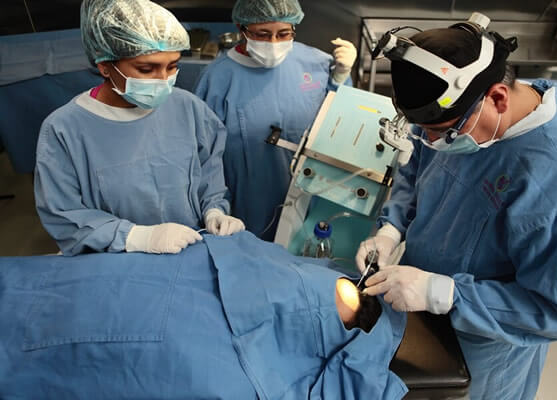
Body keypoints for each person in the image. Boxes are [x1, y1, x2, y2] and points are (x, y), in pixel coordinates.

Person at [355, 13, 557, 400]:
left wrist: (444, 293)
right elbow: (419, 163)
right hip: (418, 312)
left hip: (483, 350)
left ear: (498, 98)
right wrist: (391, 228)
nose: (432, 141)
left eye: (443, 133)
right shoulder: (461, 112)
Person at [0, 232, 408, 399]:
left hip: (60, 341)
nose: (343, 290)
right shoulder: (270, 267)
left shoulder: (240, 380)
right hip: (148, 275)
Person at [34, 0, 245, 256]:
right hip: (117, 261)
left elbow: (209, 170)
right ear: (105, 66)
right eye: (147, 69)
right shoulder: (64, 130)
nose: (163, 79)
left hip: (189, 252)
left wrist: (214, 210)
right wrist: (137, 237)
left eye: (172, 66)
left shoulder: (187, 107)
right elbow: (64, 215)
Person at [194, 0, 357, 241]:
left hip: (312, 198)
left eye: (283, 34)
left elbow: (342, 122)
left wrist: (340, 80)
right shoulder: (217, 78)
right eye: (262, 34)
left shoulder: (315, 63)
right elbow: (203, 155)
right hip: (249, 205)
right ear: (241, 28)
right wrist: (214, 208)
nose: (273, 43)